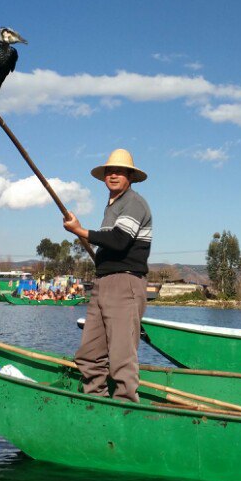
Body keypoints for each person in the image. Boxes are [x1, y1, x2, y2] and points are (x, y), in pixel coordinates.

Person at [63, 149, 152, 403]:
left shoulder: (134, 202)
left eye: (120, 172)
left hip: (124, 283)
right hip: (103, 284)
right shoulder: (112, 206)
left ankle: (125, 406)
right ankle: (96, 402)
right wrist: (83, 232)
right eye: (110, 172)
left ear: (130, 177)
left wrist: (80, 230)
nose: (114, 176)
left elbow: (120, 240)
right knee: (89, 354)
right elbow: (109, 242)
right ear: (104, 178)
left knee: (122, 356)